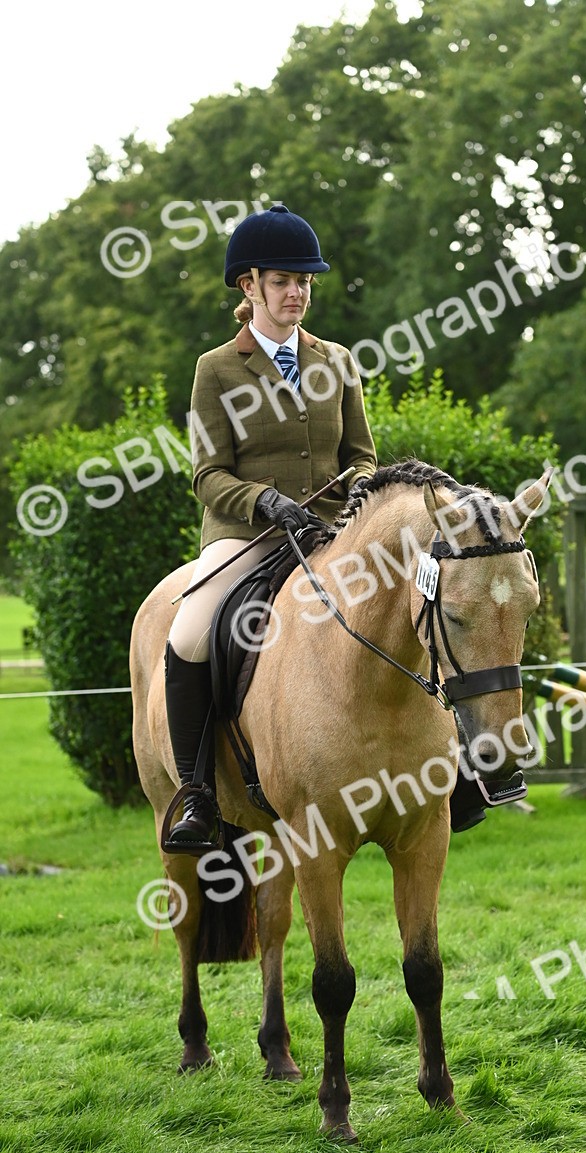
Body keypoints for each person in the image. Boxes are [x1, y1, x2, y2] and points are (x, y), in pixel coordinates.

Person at [163, 202, 377, 854]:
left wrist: (364, 491)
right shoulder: (217, 368)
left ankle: (452, 772)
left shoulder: (337, 360)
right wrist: (265, 503)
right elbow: (206, 474)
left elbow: (362, 455)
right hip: (245, 534)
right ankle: (198, 793)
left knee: (413, 599)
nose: (296, 293)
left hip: (330, 533)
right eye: (283, 281)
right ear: (248, 285)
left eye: (305, 282)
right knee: (190, 629)